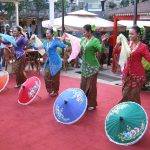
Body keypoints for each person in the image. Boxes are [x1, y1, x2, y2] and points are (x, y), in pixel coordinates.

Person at [113, 25, 150, 104]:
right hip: (126, 74)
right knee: (125, 93)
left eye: (132, 34)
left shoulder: (143, 47)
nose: (130, 36)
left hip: (137, 75)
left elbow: (149, 58)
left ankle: (134, 113)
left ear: (138, 34)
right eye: (129, 34)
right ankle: (130, 111)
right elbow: (116, 51)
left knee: (134, 96)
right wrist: (118, 43)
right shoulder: (127, 44)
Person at [80, 24, 107, 111]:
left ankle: (92, 104)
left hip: (92, 66)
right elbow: (79, 47)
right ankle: (84, 102)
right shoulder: (83, 40)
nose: (83, 33)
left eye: (84, 32)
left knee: (91, 86)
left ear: (89, 32)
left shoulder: (95, 40)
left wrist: (103, 42)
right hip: (84, 67)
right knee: (83, 85)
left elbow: (101, 50)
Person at [42, 28, 66, 97]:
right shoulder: (45, 42)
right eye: (46, 33)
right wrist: (32, 43)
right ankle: (50, 90)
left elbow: (63, 46)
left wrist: (62, 41)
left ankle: (55, 91)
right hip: (48, 61)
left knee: (55, 78)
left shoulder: (55, 42)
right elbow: (40, 47)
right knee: (46, 76)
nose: (46, 34)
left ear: (52, 34)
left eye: (48, 33)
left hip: (56, 62)